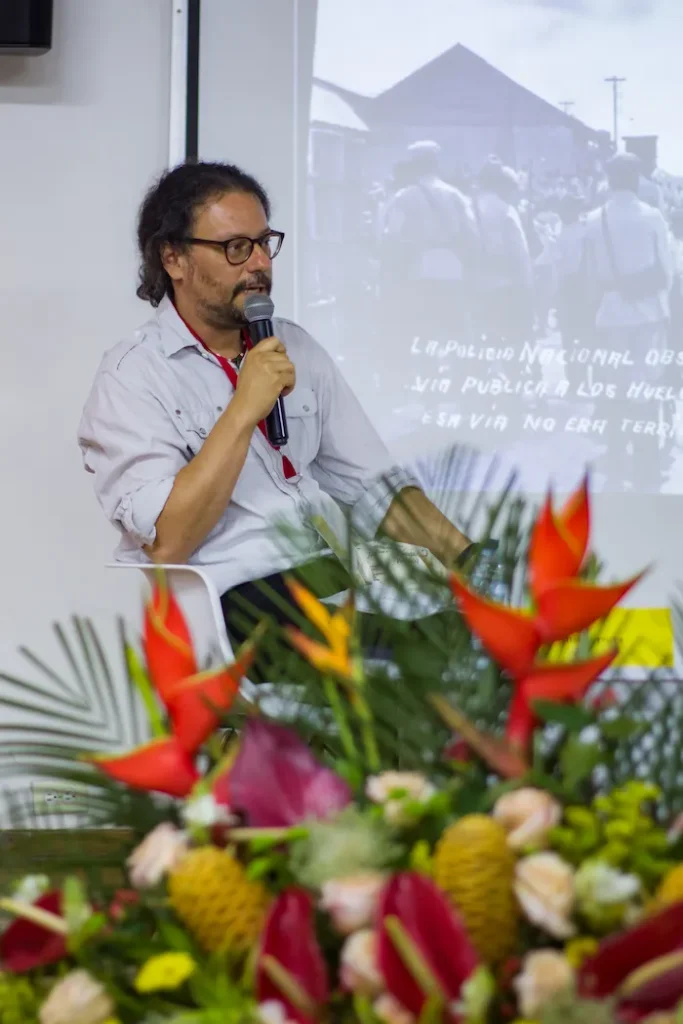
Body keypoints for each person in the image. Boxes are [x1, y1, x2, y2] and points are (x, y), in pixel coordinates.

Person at [78, 161, 473, 661]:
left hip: (333, 578)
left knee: (484, 635)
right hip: (234, 605)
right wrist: (244, 408)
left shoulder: (295, 347)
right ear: (173, 258)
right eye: (236, 248)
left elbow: (376, 488)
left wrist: (470, 562)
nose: (259, 263)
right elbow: (168, 540)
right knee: (443, 653)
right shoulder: (133, 376)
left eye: (265, 243)